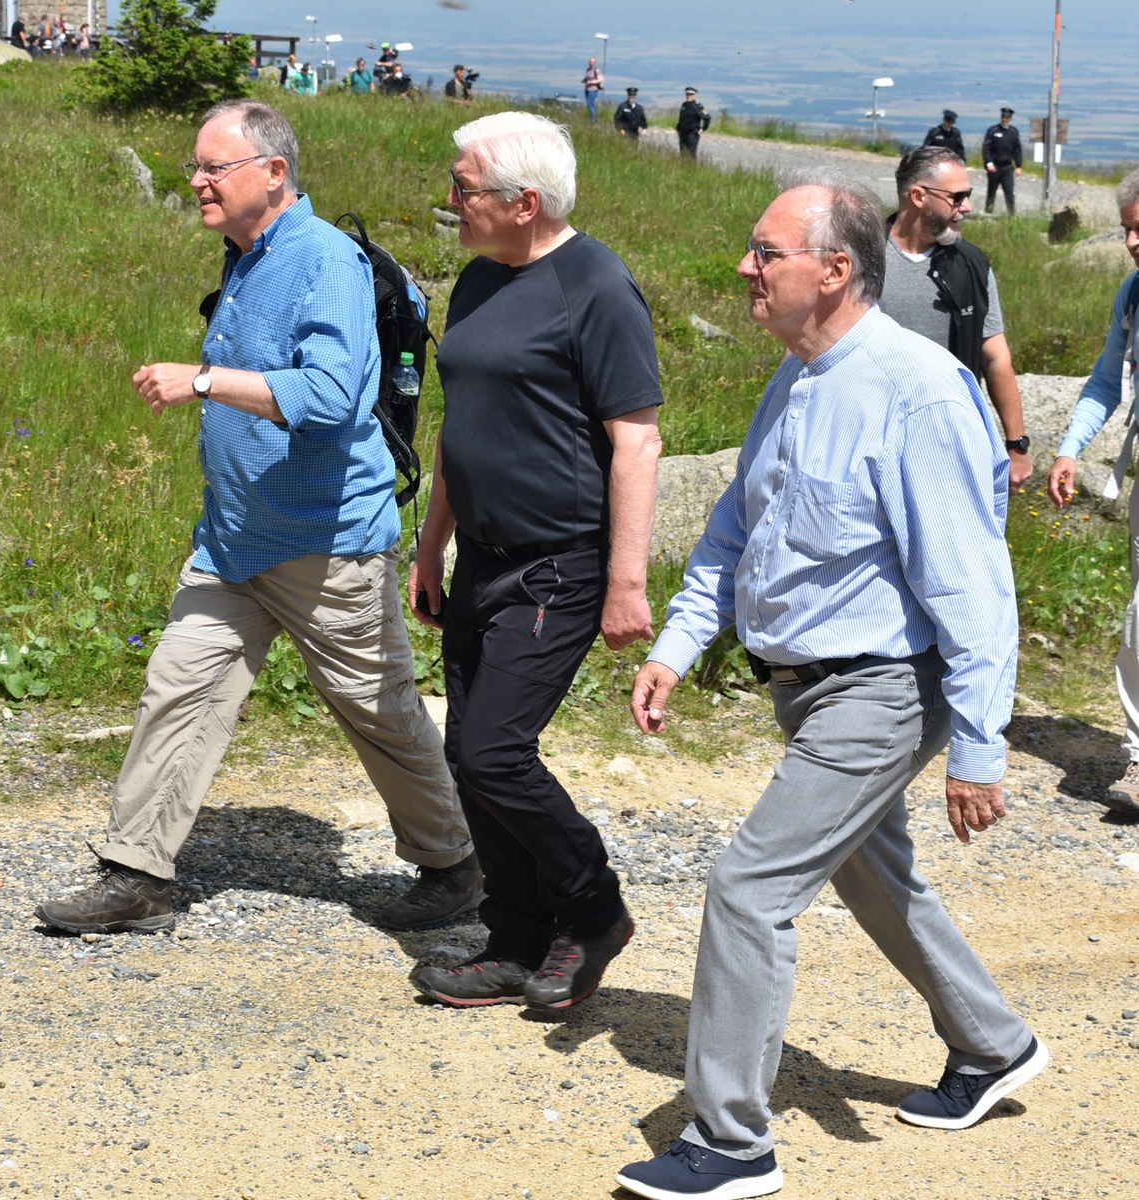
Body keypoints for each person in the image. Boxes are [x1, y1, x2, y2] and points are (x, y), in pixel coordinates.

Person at [618, 174, 1047, 1200]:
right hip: (804, 687)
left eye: (767, 252)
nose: (744, 267)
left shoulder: (917, 390)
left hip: (884, 688)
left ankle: (730, 1144)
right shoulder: (797, 374)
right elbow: (735, 532)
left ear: (836, 270)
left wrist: (979, 748)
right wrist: (678, 644)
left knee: (751, 886)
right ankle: (992, 1044)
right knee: (868, 871)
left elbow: (974, 588)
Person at [34, 99, 481, 939]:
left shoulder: (325, 262)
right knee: (180, 687)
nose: (197, 181)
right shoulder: (245, 255)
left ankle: (454, 865)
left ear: (273, 173)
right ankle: (136, 874)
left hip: (327, 544)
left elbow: (330, 393)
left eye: (215, 167)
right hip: (234, 538)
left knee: (379, 709)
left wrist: (201, 382)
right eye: (195, 167)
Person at [409, 112, 663, 1012]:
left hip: (559, 563)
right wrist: (431, 542)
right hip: (479, 554)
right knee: (466, 752)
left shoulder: (595, 286)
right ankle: (514, 941)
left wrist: (626, 583)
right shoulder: (478, 280)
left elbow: (635, 441)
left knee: (496, 752)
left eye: (464, 188)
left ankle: (593, 912)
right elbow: (459, 424)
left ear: (522, 203)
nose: (450, 202)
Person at [1048, 167, 1139, 813]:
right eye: (1129, 228)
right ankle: (1138, 756)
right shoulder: (1132, 294)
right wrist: (1070, 446)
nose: (1133, 241)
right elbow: (1107, 378)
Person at [879, 146, 1033, 494]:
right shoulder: (863, 257)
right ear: (918, 196)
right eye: (958, 197)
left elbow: (995, 357)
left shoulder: (972, 265)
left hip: (951, 443)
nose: (967, 207)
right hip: (870, 438)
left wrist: (1016, 444)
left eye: (969, 195)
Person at [982, 106, 1022, 214]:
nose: (1005, 119)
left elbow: (1017, 149)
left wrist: (1018, 166)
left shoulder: (1013, 132)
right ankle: (988, 212)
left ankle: (1011, 214)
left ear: (1010, 118)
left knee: (1009, 192)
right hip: (995, 167)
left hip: (1007, 167)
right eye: (1003, 116)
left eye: (1007, 117)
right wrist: (989, 163)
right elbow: (986, 148)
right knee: (992, 191)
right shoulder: (993, 130)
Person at [677, 87, 710, 159]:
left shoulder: (698, 106)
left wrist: (703, 128)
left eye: (691, 94)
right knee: (683, 154)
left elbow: (707, 117)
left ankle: (692, 168)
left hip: (692, 134)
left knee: (691, 154)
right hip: (683, 133)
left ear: (695, 96)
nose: (689, 96)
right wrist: (678, 129)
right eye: (687, 94)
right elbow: (681, 119)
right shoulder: (684, 105)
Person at [582, 56, 604, 123]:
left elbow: (599, 79)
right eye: (590, 62)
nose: (591, 63)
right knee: (590, 104)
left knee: (589, 104)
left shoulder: (596, 70)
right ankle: (591, 118)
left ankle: (593, 120)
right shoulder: (588, 70)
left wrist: (591, 82)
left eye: (592, 62)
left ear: (595, 63)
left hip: (593, 89)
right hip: (587, 89)